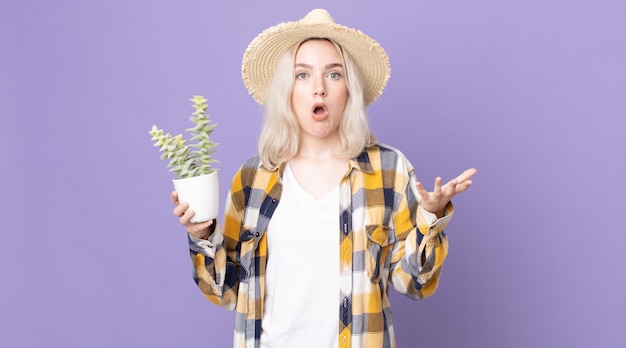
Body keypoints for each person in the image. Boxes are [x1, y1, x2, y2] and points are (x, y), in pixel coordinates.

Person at [170, 9, 476, 348]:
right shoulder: (253, 178)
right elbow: (225, 293)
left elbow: (413, 285)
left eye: (334, 74)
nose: (319, 89)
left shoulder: (389, 170)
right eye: (303, 75)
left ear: (349, 89)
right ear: (287, 90)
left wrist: (429, 218)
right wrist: (202, 235)